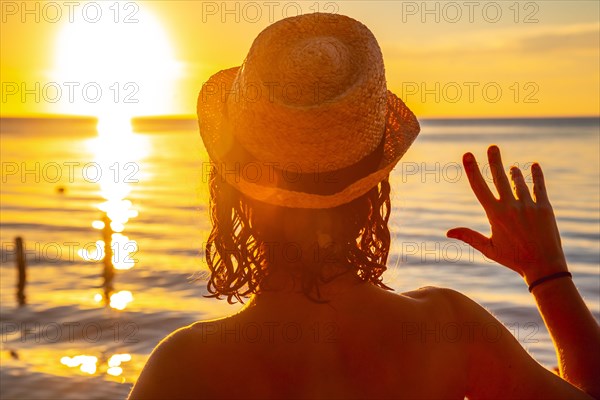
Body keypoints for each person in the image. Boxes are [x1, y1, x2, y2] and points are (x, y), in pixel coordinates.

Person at [129, 13, 599, 399]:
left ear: (230, 189)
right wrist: (548, 275)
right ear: (375, 185)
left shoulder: (186, 370)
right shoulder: (447, 331)